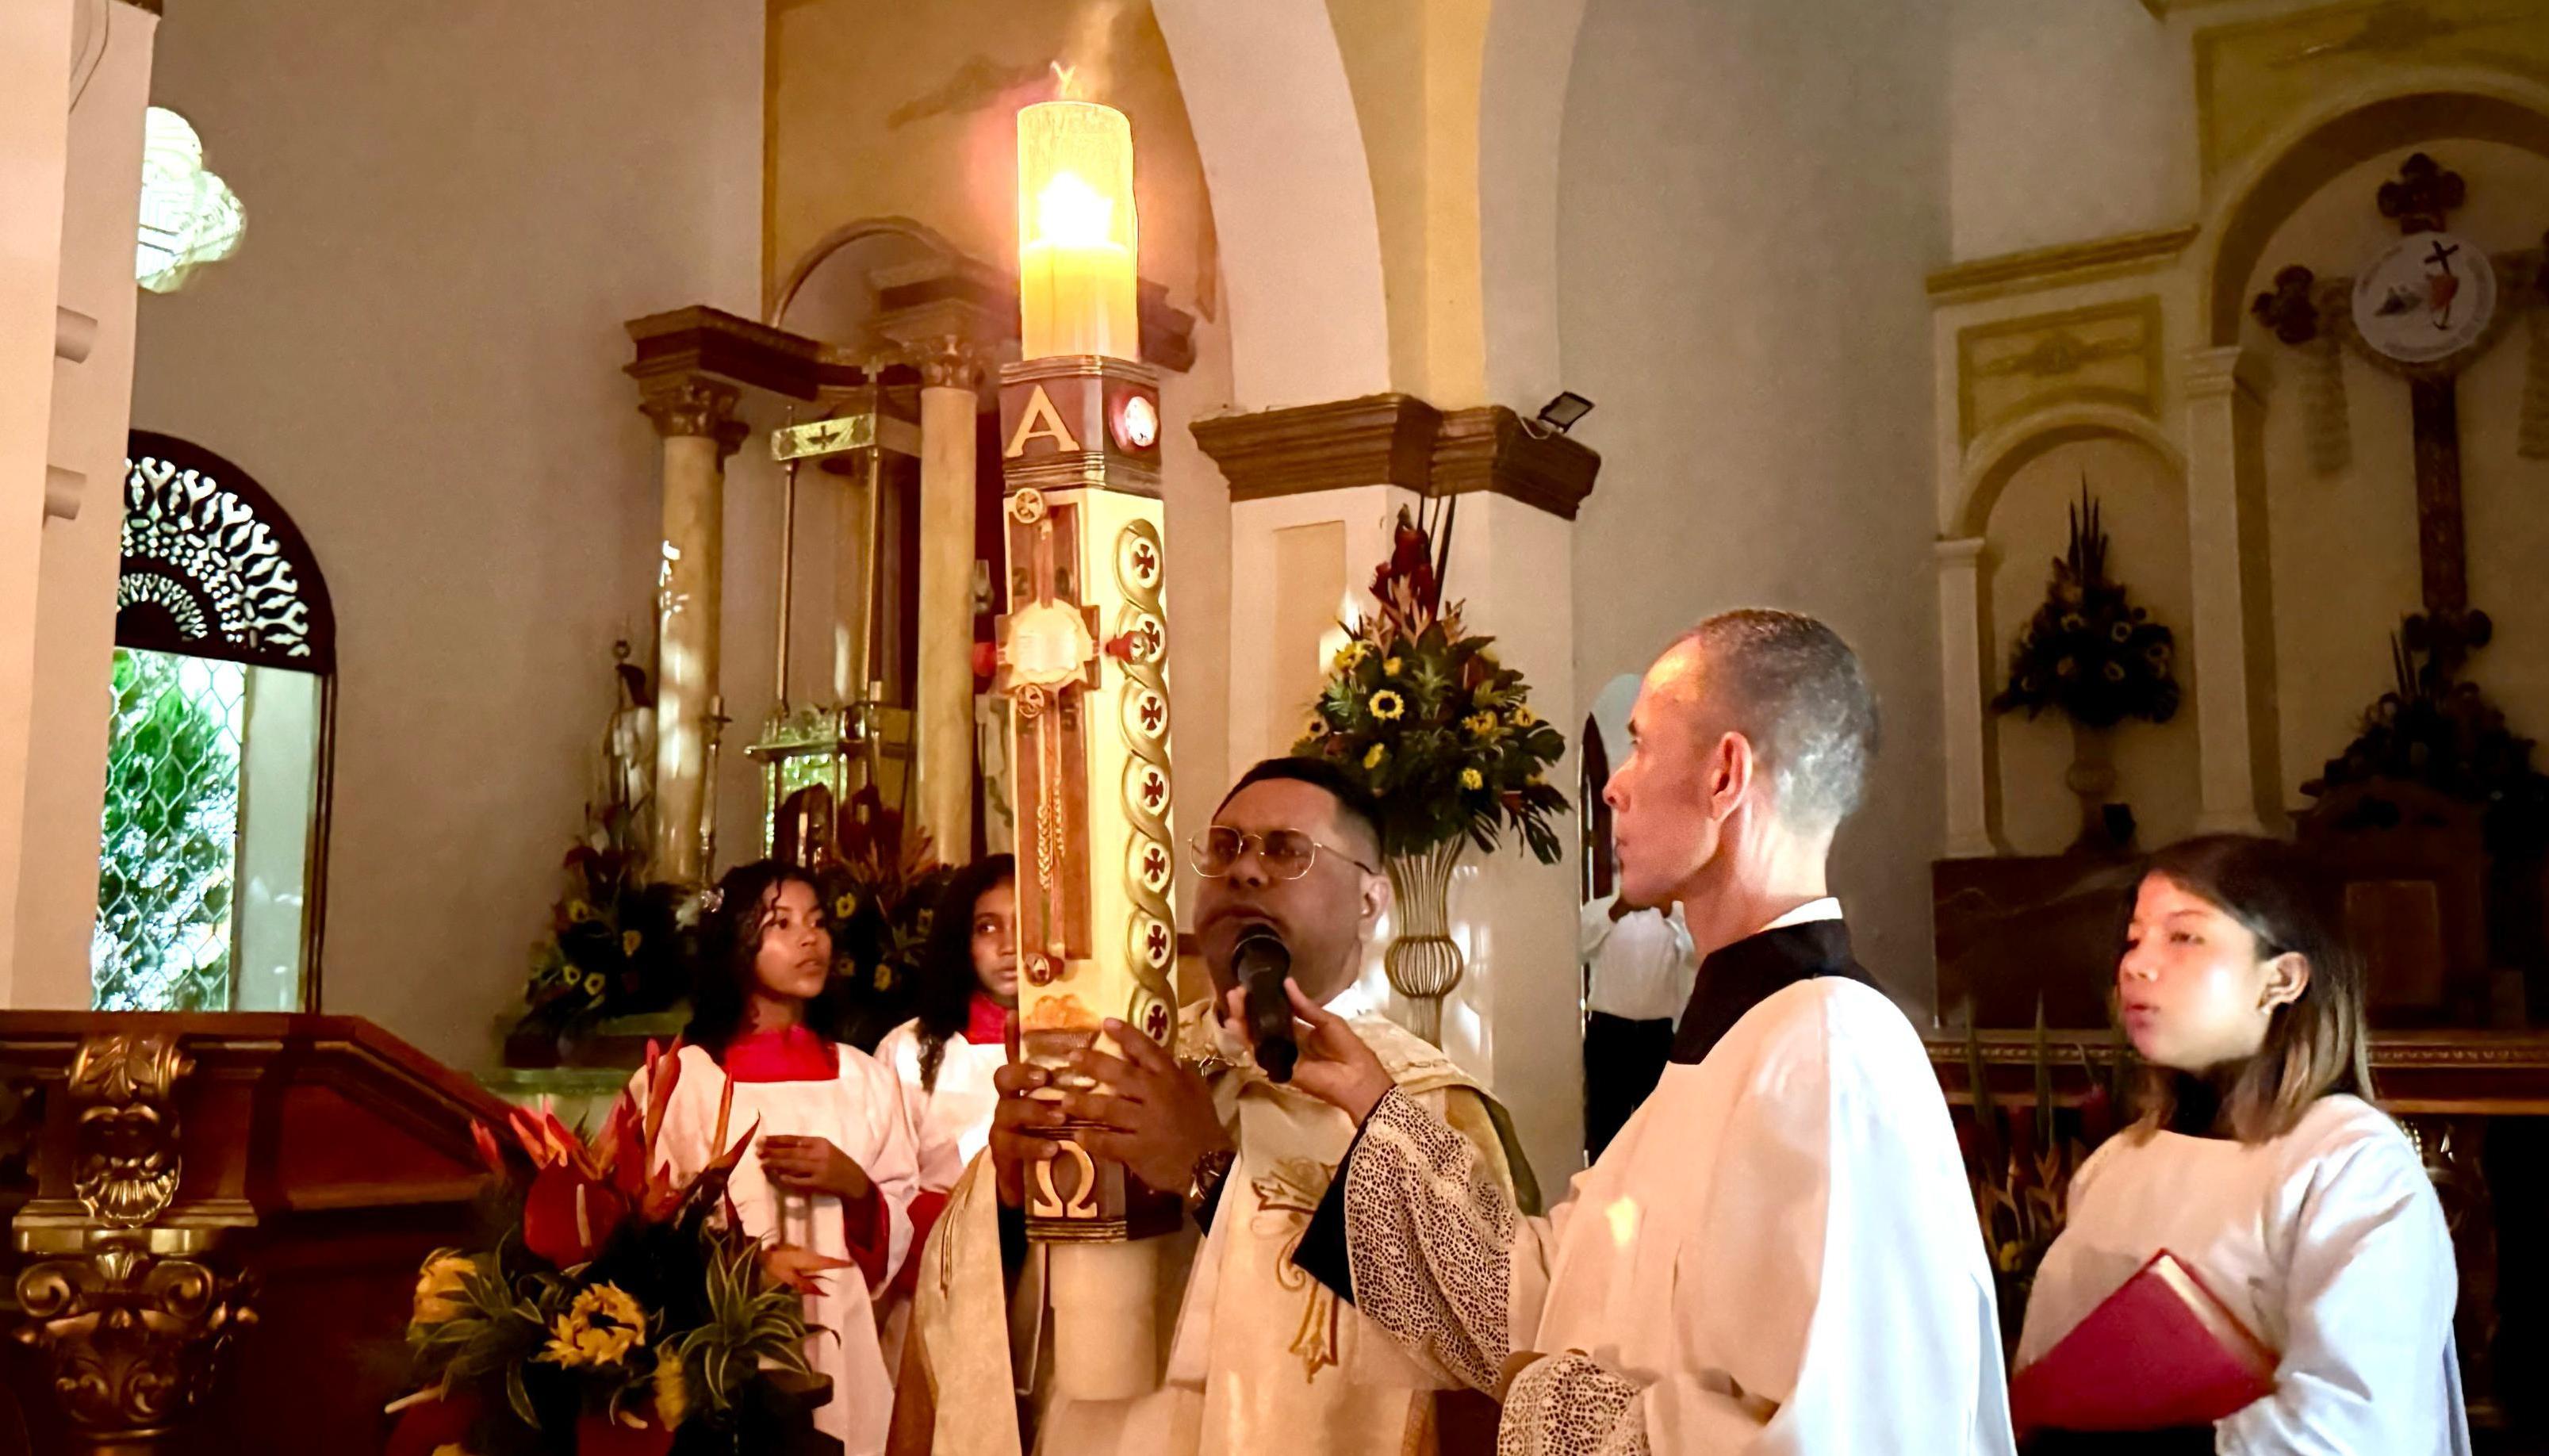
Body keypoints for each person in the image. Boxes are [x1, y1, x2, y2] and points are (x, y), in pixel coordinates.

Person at [1257, 609, 2015, 1454]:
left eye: (1641, 744)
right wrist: (1374, 1105)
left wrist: (1543, 1403)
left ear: (1725, 774)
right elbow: (1547, 1293)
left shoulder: (1828, 1052)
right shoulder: (1741, 1041)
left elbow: (1841, 1435)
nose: (1613, 785)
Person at [907, 757, 1531, 1456]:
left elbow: (1475, 1345)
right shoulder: (1135, 1054)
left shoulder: (1427, 1105)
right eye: (1226, 847)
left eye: (1286, 851)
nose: (1246, 871)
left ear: (1370, 901)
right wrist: (1011, 1203)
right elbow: (984, 1331)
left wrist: (1208, 1176)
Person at [2015, 834, 2468, 1453]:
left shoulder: (2350, 1164)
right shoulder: (2115, 1164)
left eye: (2184, 937)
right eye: (2133, 938)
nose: (2136, 965)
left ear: (2282, 979)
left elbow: (2355, 1424)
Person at [634, 859, 927, 1456]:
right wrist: (749, 1268)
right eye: (780, 924)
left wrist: (856, 1189)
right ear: (734, 944)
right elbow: (646, 1234)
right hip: (722, 1360)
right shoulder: (683, 1080)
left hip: (845, 1342)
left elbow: (902, 1219)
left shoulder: (864, 1078)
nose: (808, 938)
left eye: (817, 922)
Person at [877, 853, 1019, 1184]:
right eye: (987, 927)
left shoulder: (1080, 1042)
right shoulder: (907, 1049)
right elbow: (888, 1191)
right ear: (962, 939)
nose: (1009, 946)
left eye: (1025, 923)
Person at [1579, 886, 1695, 1158]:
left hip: (1658, 1037)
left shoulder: (1678, 916)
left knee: (1656, 1127)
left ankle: (1652, 1197)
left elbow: (1696, 953)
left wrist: (1669, 913)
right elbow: (1576, 950)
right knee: (1605, 1124)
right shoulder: (1599, 910)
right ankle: (1600, 1195)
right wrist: (1615, 911)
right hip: (1609, 1035)